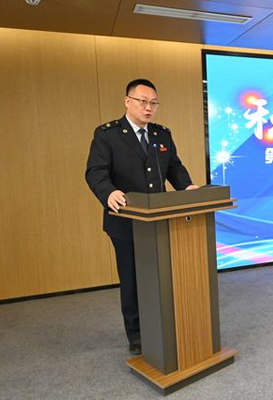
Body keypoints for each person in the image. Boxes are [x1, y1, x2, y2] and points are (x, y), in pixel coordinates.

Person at [85, 79, 198, 355]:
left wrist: (187, 187)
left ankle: (162, 326)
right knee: (133, 280)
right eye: (142, 102)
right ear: (128, 101)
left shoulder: (161, 135)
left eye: (153, 103)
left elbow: (174, 167)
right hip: (125, 220)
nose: (149, 108)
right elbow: (95, 172)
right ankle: (136, 335)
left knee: (161, 276)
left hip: (159, 219)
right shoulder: (108, 134)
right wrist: (109, 192)